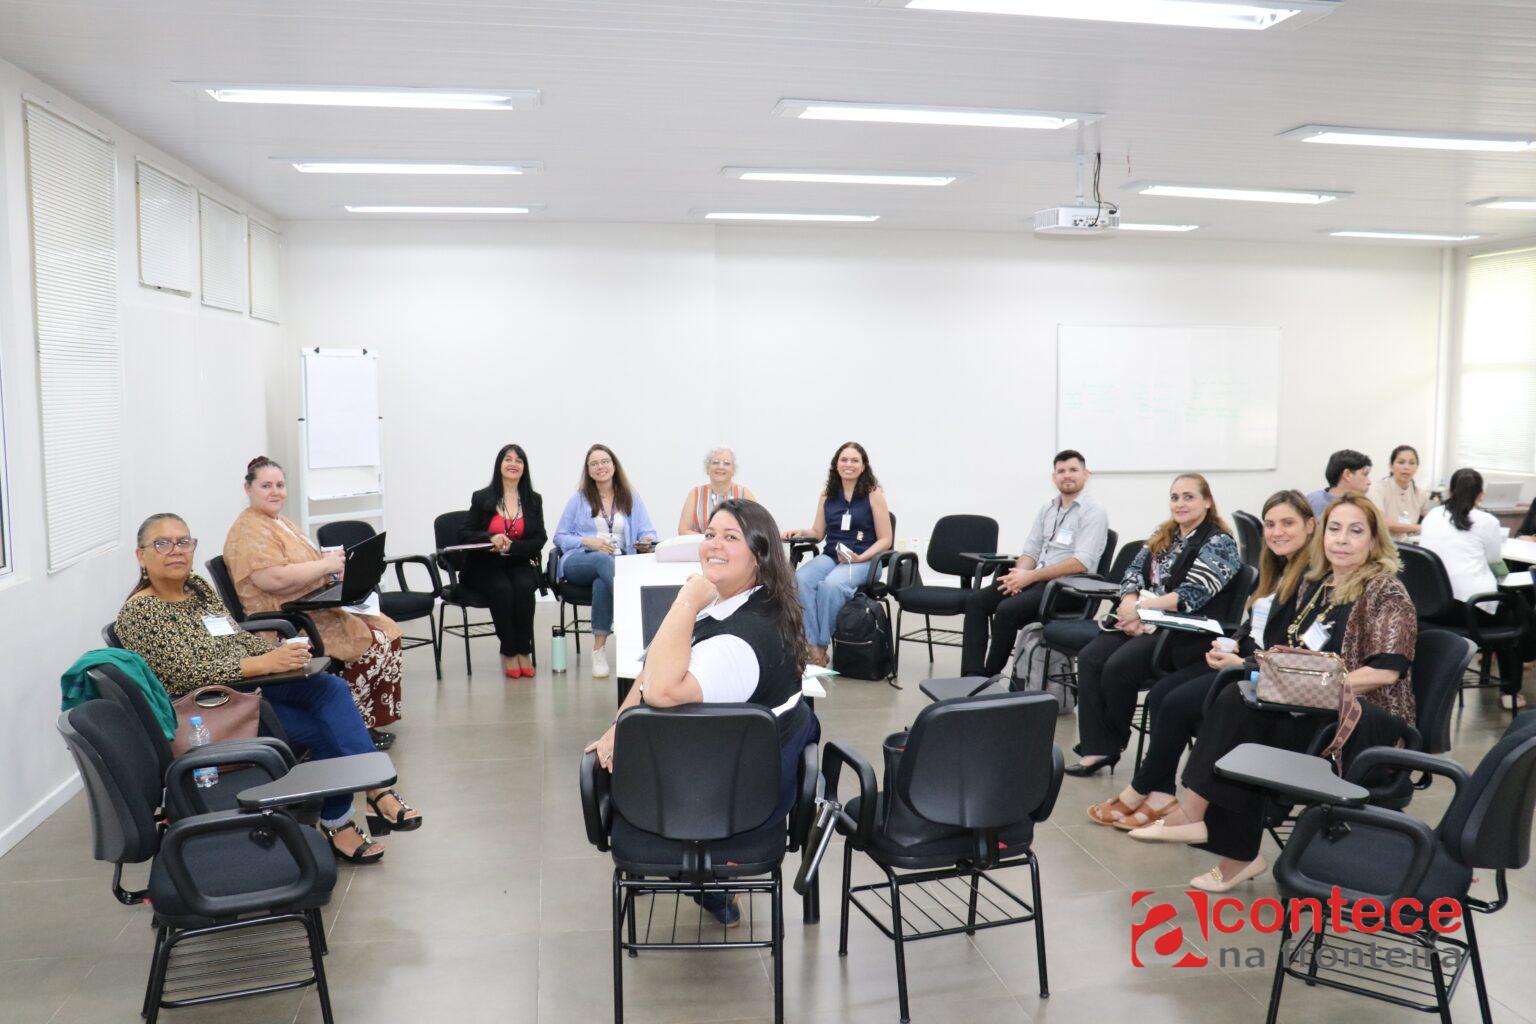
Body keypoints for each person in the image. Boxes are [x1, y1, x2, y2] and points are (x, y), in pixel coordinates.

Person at [1127, 495, 1417, 894]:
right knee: (1239, 698)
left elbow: (1385, 670)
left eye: (1355, 531)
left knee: (1243, 713)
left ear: (1374, 540)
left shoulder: (1386, 591)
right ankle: (1220, 838)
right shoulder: (1319, 584)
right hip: (1312, 707)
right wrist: (1265, 668)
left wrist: (1313, 684)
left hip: (1363, 721)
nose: (1342, 540)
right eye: (1335, 529)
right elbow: (1289, 647)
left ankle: (1214, 832)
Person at [116, 513, 422, 864]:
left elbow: (235, 637)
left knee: (329, 689)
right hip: (210, 711)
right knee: (323, 730)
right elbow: (184, 673)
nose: (175, 551)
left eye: (184, 542)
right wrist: (263, 665)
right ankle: (342, 822)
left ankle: (375, 788)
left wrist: (278, 653)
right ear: (141, 556)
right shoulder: (141, 612)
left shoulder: (196, 589)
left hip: (247, 689)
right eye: (162, 544)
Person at [585, 498, 819, 925]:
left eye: (731, 538)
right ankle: (705, 882)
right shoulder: (747, 600)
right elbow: (653, 666)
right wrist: (616, 727)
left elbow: (661, 689)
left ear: (760, 555)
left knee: (614, 771)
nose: (714, 544)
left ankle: (700, 879)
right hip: (740, 777)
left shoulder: (736, 644)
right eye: (710, 534)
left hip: (725, 801)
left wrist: (686, 602)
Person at [1086, 490, 1315, 828]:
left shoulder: (1306, 577)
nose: (1277, 532)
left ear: (1310, 526)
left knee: (1175, 701)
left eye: (1287, 524)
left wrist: (1241, 659)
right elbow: (1254, 627)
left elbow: (1287, 644)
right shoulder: (1275, 569)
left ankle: (1141, 788)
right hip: (1241, 656)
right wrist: (1233, 644)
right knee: (1162, 692)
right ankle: (1161, 792)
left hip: (1262, 671)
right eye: (1270, 524)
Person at [1067, 473, 1242, 776]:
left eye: (1189, 497)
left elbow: (1190, 596)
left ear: (1207, 501)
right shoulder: (1167, 534)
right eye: (1175, 497)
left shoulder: (1219, 543)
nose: (1180, 503)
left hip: (1182, 630)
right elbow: (1133, 571)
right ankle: (1098, 747)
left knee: (1118, 666)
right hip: (1146, 619)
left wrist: (1140, 609)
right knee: (1091, 657)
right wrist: (1130, 600)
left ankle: (1112, 743)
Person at [223, 457, 404, 748]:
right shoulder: (249, 530)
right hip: (285, 622)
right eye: (266, 485)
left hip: (306, 607)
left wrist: (332, 567)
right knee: (375, 640)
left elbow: (305, 564)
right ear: (248, 488)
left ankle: (361, 722)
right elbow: (272, 579)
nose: (275, 492)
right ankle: (353, 723)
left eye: (280, 485)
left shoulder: (279, 522)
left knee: (388, 629)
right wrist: (324, 567)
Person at [959, 449, 1108, 677]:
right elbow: (1031, 551)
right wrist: (1018, 576)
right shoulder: (1048, 509)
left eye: (1073, 470)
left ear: (1086, 474)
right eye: (1061, 471)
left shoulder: (1093, 512)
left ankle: (988, 676)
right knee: (977, 600)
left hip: (1068, 589)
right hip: (1038, 582)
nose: (1067, 475)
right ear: (1054, 477)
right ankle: (971, 674)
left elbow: (1081, 563)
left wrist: (1030, 577)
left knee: (1007, 610)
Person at [1419, 467, 1533, 709]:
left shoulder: (1432, 516)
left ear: (1449, 491)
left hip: (1432, 609)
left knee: (1514, 607)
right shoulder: (1486, 521)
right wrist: (1505, 578)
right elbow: (1495, 562)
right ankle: (1510, 691)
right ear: (1481, 495)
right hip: (1470, 610)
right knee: (1517, 611)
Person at [552, 444, 659, 680]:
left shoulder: (630, 497)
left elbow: (647, 531)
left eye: (605, 461)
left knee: (603, 582)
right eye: (594, 463)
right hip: (579, 561)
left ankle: (598, 651)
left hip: (617, 563)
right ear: (588, 470)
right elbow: (560, 536)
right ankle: (637, 614)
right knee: (601, 559)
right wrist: (587, 541)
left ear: (614, 465)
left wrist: (646, 539)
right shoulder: (578, 499)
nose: (600, 467)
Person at [783, 442, 893, 667]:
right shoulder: (827, 494)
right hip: (833, 556)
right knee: (799, 579)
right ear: (836, 464)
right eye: (844, 460)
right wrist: (802, 532)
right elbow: (818, 533)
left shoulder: (873, 494)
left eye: (854, 460)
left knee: (831, 585)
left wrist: (860, 558)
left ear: (863, 466)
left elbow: (885, 539)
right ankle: (811, 643)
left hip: (865, 559)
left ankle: (820, 647)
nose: (848, 465)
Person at [459, 444, 547, 679]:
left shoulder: (533, 500)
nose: (513, 464)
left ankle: (524, 649)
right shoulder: (482, 498)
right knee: (502, 589)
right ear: (499, 465)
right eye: (508, 459)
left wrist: (514, 546)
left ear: (524, 468)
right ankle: (509, 651)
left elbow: (540, 538)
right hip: (484, 564)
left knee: (524, 587)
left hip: (517, 560)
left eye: (519, 460)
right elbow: (465, 534)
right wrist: (491, 537)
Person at [678, 447, 755, 535]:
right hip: (701, 546)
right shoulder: (695, 494)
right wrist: (709, 540)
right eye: (715, 462)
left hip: (735, 548)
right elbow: (683, 530)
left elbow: (756, 528)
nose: (720, 467)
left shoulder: (744, 494)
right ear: (707, 468)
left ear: (734, 470)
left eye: (726, 463)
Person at [1367, 444, 1430, 541]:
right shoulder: (1377, 488)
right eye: (1401, 462)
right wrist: (1417, 528)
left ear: (1417, 467)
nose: (1406, 467)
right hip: (1381, 546)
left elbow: (1431, 520)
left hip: (1409, 545)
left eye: (1412, 463)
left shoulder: (1420, 493)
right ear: (1391, 466)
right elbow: (1382, 522)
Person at [1306, 449, 1372, 519]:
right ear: (1347, 475)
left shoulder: (1365, 507)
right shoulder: (1312, 502)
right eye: (1365, 474)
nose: (1369, 482)